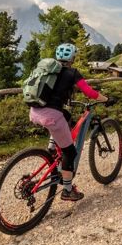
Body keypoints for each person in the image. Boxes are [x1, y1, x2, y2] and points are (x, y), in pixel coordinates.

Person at [28, 43, 108, 201]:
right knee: (70, 152)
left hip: (35, 111)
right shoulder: (72, 73)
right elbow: (89, 92)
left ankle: (52, 147)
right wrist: (106, 99)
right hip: (51, 115)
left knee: (66, 116)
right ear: (72, 58)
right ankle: (67, 190)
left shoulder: (48, 70)